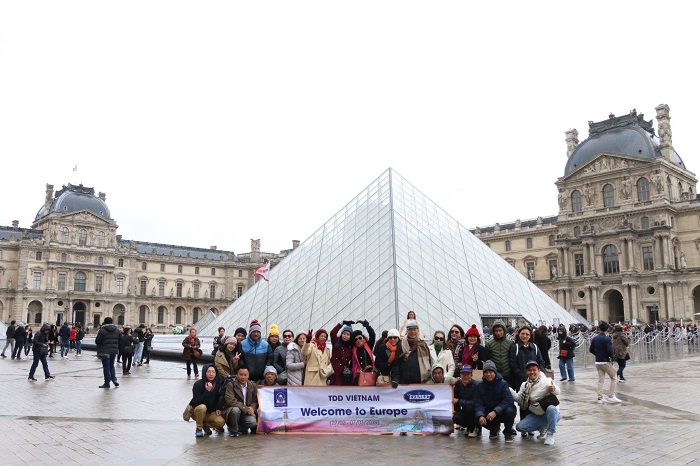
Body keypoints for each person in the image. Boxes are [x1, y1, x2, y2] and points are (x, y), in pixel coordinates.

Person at [511, 360, 561, 445]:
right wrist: (509, 390)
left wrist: (554, 389)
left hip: (551, 413)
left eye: (534, 370)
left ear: (539, 371)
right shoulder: (525, 385)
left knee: (552, 408)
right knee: (520, 427)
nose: (532, 372)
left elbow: (558, 391)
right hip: (537, 414)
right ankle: (543, 426)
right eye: (529, 370)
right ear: (526, 372)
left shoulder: (547, 380)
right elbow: (519, 399)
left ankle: (550, 434)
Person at [473, 360, 516, 442]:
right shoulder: (480, 386)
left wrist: (496, 411)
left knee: (510, 411)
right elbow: (478, 402)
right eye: (486, 372)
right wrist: (480, 415)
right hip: (488, 412)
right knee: (476, 415)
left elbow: (508, 400)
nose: (489, 374)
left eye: (491, 372)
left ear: (495, 372)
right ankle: (494, 429)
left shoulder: (503, 384)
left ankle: (507, 432)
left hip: (501, 411)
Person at [220, 366, 259, 437]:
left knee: (252, 422)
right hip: (233, 411)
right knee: (235, 410)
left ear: (248, 375)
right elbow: (231, 400)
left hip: (247, 412)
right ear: (237, 375)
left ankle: (241, 427)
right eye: (241, 375)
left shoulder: (252, 385)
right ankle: (234, 430)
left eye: (245, 375)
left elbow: (255, 400)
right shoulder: (231, 385)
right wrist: (246, 408)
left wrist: (251, 408)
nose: (243, 377)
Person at [189, 364, 226, 437]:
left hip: (210, 412)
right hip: (197, 411)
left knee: (221, 422)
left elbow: (219, 397)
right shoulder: (198, 384)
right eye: (208, 372)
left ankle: (205, 425)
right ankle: (199, 428)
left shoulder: (218, 384)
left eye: (213, 372)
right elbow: (196, 401)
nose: (211, 374)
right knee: (202, 407)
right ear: (204, 372)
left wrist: (218, 408)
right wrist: (207, 392)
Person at [391, 320, 431, 386]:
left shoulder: (423, 345)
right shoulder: (401, 344)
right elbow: (396, 363)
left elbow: (429, 361)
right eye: (410, 330)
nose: (412, 332)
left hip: (420, 381)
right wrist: (396, 379)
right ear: (407, 331)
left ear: (418, 331)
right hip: (404, 382)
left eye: (414, 330)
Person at [589, 321, 621, 403]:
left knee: (601, 380)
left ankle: (600, 397)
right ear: (607, 329)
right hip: (605, 361)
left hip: (598, 362)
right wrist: (612, 358)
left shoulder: (595, 338)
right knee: (614, 377)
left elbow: (591, 349)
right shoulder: (607, 338)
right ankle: (612, 395)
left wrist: (598, 354)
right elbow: (609, 350)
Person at [486, 320, 514, 387]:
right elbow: (487, 359)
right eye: (496, 331)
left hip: (508, 375)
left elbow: (512, 359)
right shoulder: (489, 344)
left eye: (500, 330)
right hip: (495, 376)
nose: (498, 333)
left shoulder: (510, 343)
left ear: (504, 330)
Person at [453, 364, 479, 437]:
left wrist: (459, 401)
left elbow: (475, 402)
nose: (466, 377)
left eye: (468, 374)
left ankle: (474, 428)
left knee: (469, 407)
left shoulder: (476, 385)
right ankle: (468, 427)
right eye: (463, 374)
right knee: (455, 417)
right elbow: (454, 397)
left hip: (475, 411)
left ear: (471, 375)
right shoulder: (458, 384)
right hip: (464, 410)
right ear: (460, 375)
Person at [95, 317, 120, 388]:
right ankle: (114, 379)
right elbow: (120, 340)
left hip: (104, 350)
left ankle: (107, 383)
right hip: (113, 351)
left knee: (106, 367)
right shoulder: (117, 330)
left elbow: (97, 341)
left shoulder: (102, 330)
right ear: (112, 322)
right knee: (111, 365)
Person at [330, 320, 355, 386]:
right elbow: (332, 333)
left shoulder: (351, 346)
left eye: (348, 334)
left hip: (345, 373)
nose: (345, 336)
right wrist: (342, 323)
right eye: (344, 334)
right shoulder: (336, 343)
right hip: (335, 370)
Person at [351, 320, 376, 385]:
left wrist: (366, 324)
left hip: (370, 373)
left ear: (363, 337)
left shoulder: (368, 345)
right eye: (356, 339)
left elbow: (372, 334)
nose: (358, 340)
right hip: (358, 375)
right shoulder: (353, 349)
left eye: (360, 338)